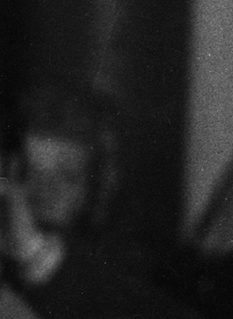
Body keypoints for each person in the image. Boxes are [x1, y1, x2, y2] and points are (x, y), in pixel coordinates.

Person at [0, 86, 200, 318]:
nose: (44, 191)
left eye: (67, 177)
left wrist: (34, 252)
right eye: (31, 173)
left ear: (99, 183)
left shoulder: (123, 259)